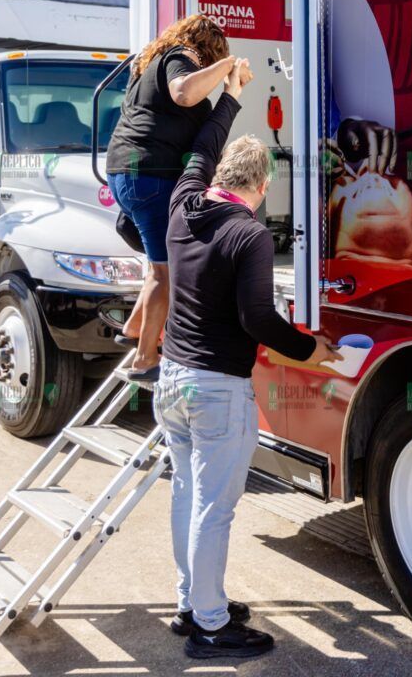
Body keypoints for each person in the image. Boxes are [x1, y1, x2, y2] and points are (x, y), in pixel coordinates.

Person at [154, 58, 340, 661]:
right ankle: (210, 626)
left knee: (187, 494)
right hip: (214, 390)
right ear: (260, 188)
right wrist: (312, 350)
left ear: (218, 178)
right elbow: (257, 320)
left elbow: (199, 152)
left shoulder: (184, 206)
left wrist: (229, 99)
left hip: (171, 382)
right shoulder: (250, 234)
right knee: (213, 508)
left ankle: (192, 604)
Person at [106, 14, 234, 379]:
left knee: (157, 265)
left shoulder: (150, 66)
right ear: (208, 50)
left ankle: (132, 329)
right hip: (150, 176)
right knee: (167, 273)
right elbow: (184, 91)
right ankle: (146, 359)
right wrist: (226, 68)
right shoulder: (183, 56)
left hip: (125, 173)